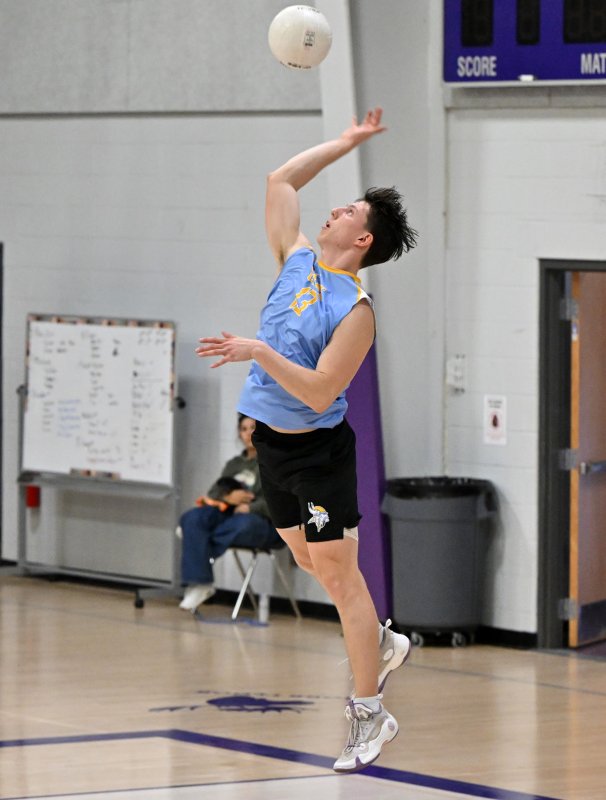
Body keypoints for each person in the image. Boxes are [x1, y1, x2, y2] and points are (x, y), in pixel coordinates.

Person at [196, 108, 418, 773]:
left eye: (348, 210)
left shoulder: (355, 311)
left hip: (319, 455)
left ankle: (370, 715)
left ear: (363, 239)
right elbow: (280, 179)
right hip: (273, 449)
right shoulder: (295, 259)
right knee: (313, 563)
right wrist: (345, 143)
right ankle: (377, 640)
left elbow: (321, 392)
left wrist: (258, 349)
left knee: (342, 579)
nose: (334, 211)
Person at [179, 414, 282, 613]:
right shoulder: (233, 464)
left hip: (262, 522)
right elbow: (213, 493)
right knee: (191, 518)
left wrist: (250, 507)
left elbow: (279, 502)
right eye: (244, 429)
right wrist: (229, 498)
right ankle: (202, 583)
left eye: (253, 427)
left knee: (242, 524)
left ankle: (196, 542)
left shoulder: (273, 462)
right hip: (228, 513)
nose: (248, 433)